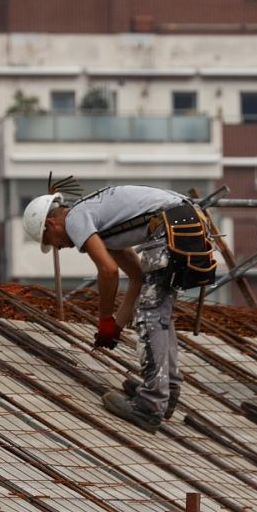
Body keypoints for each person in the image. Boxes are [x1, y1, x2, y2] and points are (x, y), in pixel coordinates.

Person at [23, 184, 215, 432]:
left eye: (51, 242)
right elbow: (136, 277)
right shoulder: (105, 226)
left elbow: (108, 271)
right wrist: (116, 327)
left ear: (51, 224)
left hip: (172, 228)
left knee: (150, 317)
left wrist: (104, 319)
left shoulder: (75, 218)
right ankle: (167, 390)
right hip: (185, 224)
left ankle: (150, 404)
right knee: (158, 315)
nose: (59, 247)